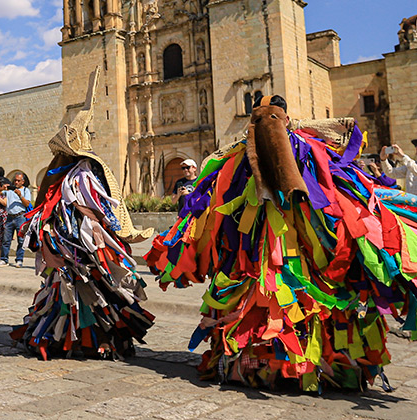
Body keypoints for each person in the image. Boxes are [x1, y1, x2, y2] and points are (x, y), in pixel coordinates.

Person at [147, 94, 417, 392]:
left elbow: (217, 200)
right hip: (280, 246)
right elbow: (339, 187)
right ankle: (305, 367)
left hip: (265, 247)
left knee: (278, 299)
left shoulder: (247, 153)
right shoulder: (308, 148)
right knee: (294, 299)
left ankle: (266, 365)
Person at [10, 66, 154, 359]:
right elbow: (91, 206)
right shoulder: (81, 174)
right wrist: (103, 225)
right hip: (80, 243)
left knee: (80, 289)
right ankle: (92, 337)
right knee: (87, 287)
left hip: (75, 242)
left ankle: (77, 336)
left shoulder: (64, 175)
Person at [0, 172, 32, 267]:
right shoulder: (9, 190)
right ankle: (4, 259)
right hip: (9, 216)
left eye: (18, 181)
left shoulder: (25, 191)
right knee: (6, 239)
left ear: (23, 182)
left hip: (20, 217)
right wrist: (1, 188)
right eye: (15, 180)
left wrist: (20, 195)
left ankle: (19, 260)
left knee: (21, 240)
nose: (16, 182)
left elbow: (27, 204)